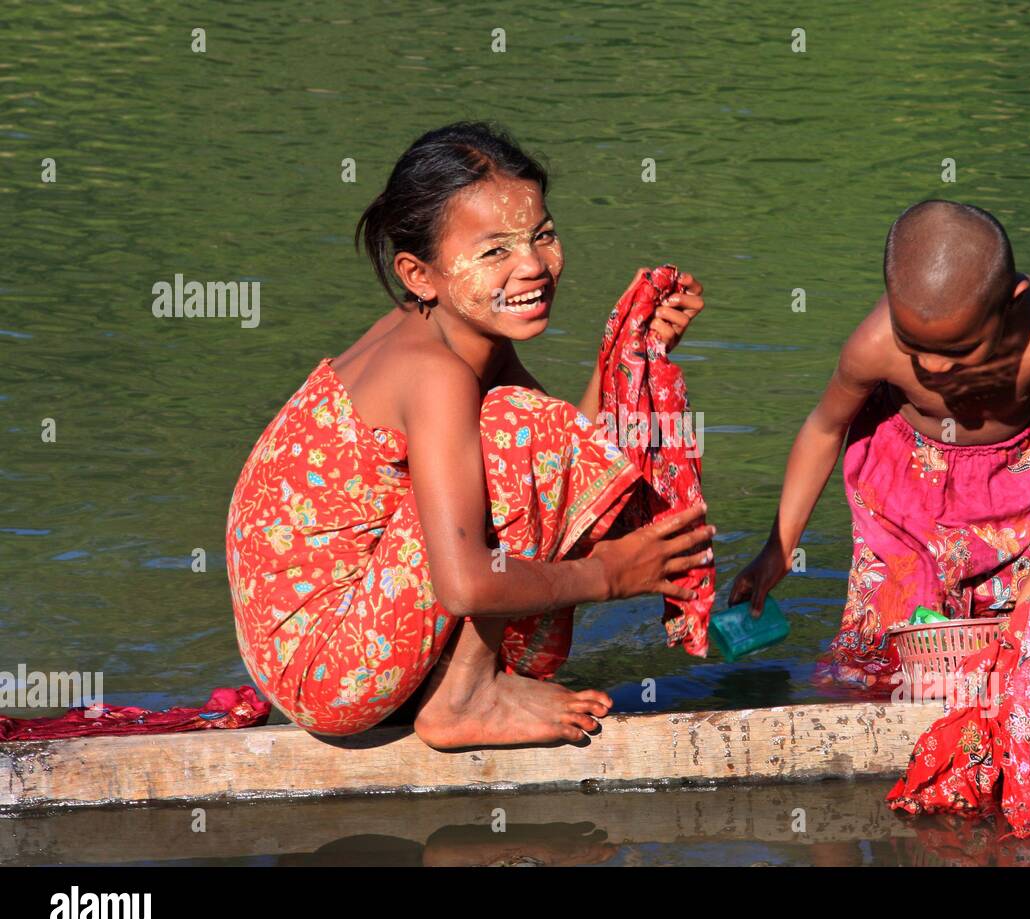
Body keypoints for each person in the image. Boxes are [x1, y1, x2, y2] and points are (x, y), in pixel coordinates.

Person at [226, 122, 714, 746]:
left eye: (542, 235)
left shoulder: (463, 335)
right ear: (420, 275)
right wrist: (609, 576)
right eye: (495, 252)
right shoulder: (434, 374)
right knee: (519, 429)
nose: (533, 266)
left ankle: (459, 684)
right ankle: (463, 699)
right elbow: (465, 583)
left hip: (337, 645)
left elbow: (566, 467)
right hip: (327, 672)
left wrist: (628, 351)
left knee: (529, 430)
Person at [729, 199, 1030, 686]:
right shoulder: (873, 345)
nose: (936, 368)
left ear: (1011, 306)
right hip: (904, 487)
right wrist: (779, 548)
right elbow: (824, 429)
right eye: (913, 346)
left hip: (1020, 491)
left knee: (1007, 643)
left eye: (958, 351)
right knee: (882, 649)